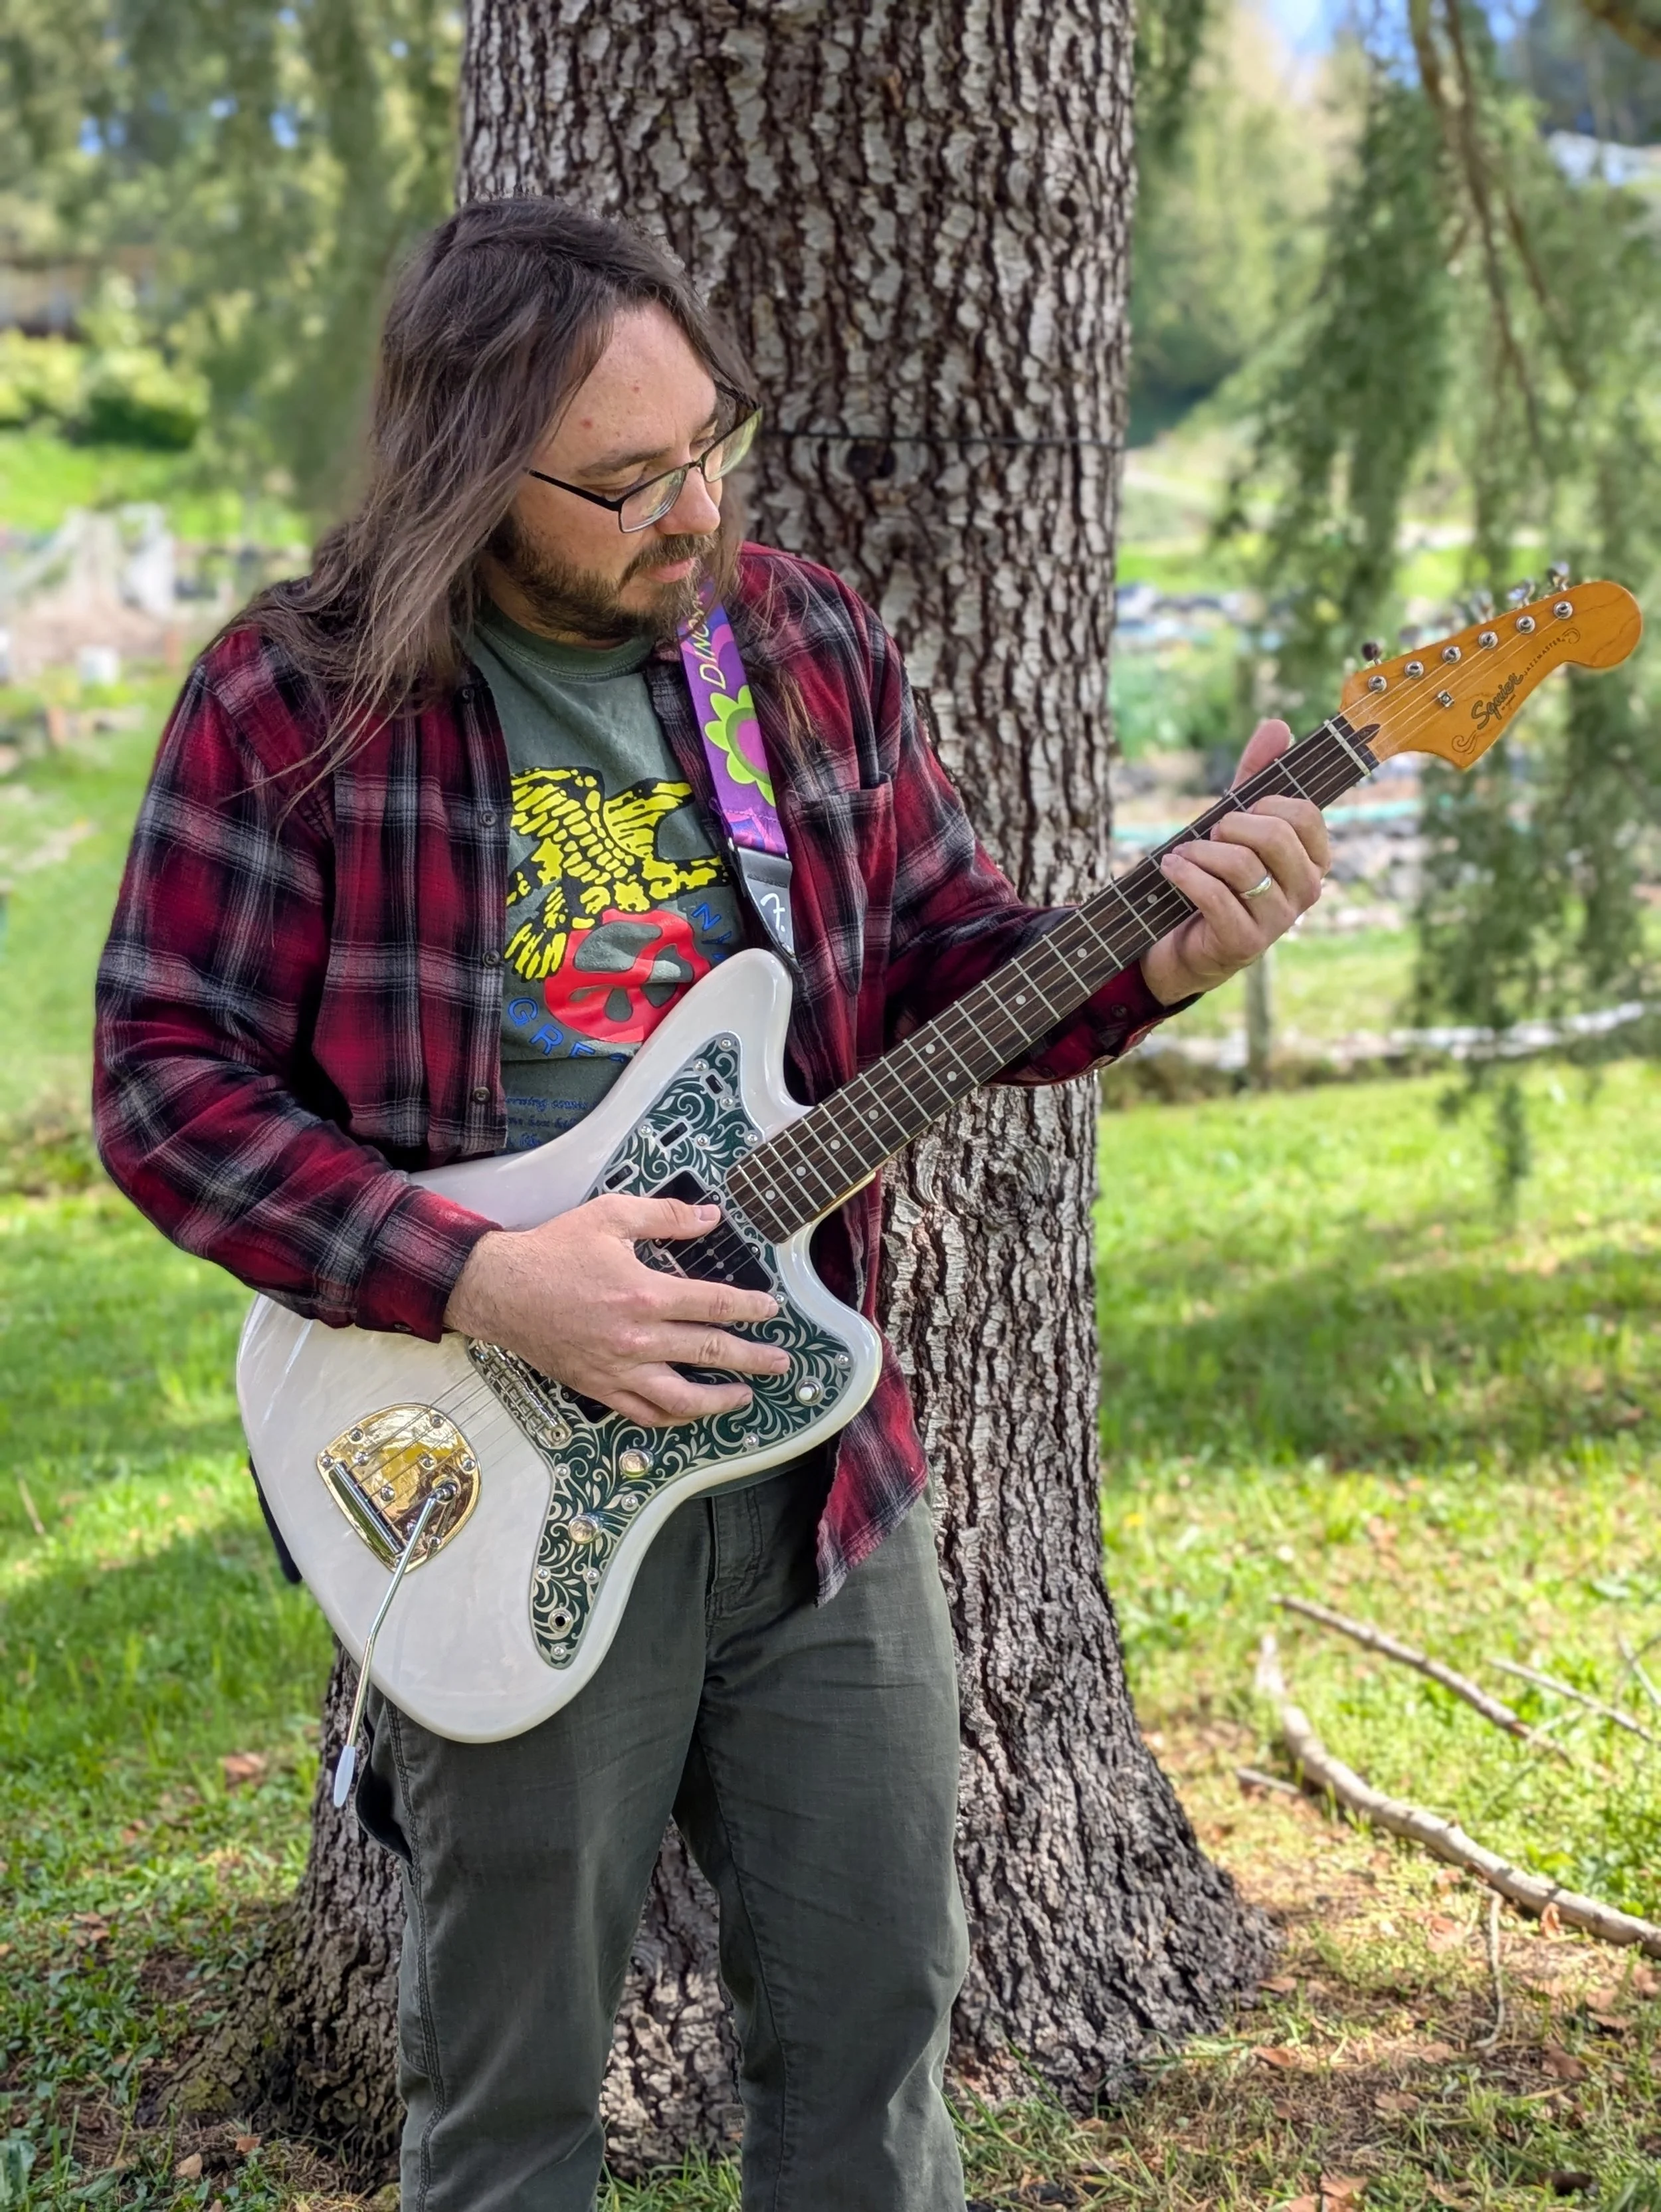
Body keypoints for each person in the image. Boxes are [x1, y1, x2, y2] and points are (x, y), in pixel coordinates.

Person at [93, 197, 1329, 2212]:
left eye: (710, 446)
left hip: (817, 1479)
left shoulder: (801, 643)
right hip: (494, 1474)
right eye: (625, 479)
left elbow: (948, 971)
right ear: (470, 473)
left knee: (876, 2049)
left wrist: (1154, 951)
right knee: (507, 2109)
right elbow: (165, 1090)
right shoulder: (294, 700)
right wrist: (486, 1281)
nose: (693, 510)